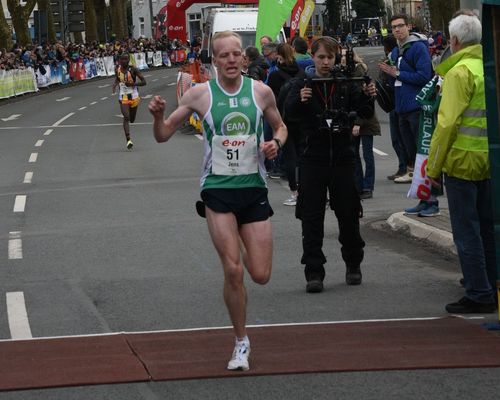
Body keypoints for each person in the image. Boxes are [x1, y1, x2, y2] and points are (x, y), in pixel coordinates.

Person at [148, 31, 288, 370]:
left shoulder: (261, 92)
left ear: (243, 58)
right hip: (217, 190)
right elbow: (164, 134)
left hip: (253, 189)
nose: (230, 60)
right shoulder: (199, 95)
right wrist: (156, 115)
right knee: (233, 269)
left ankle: (241, 247)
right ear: (215, 60)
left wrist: (276, 144)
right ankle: (241, 342)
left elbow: (281, 127)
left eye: (235, 54)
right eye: (223, 55)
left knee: (261, 274)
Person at [284, 37, 376, 293]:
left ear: (337, 59)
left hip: (343, 157)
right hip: (313, 157)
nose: (326, 62)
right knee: (311, 217)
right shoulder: (301, 83)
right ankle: (314, 271)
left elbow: (365, 112)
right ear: (312, 57)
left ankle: (353, 263)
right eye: (321, 57)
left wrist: (369, 96)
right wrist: (300, 100)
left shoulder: (345, 83)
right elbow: (287, 114)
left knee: (348, 213)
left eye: (330, 58)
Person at [426, 13, 497, 314]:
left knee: (466, 230)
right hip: (488, 159)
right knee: (487, 228)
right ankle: (491, 284)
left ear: (454, 42)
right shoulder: (487, 67)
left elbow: (446, 125)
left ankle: (478, 292)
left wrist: (432, 168)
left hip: (462, 161)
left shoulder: (459, 72)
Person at [378, 14, 437, 216]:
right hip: (401, 109)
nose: (397, 30)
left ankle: (432, 201)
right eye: (393, 27)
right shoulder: (397, 50)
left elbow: (424, 77)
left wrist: (397, 73)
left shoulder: (417, 48)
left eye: (400, 26)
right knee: (413, 155)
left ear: (408, 27)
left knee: (423, 156)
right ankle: (424, 198)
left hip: (416, 108)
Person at [268, 42, 306, 206]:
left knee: (290, 157)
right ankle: (307, 189)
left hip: (284, 121)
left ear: (279, 57)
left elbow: (270, 99)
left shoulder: (276, 76)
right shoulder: (301, 72)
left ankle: (295, 192)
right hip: (303, 119)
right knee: (304, 155)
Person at [351, 50, 381, 199]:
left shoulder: (360, 72)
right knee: (355, 155)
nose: (343, 59)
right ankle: (358, 185)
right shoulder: (346, 73)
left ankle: (367, 187)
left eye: (345, 56)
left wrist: (358, 123)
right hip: (354, 120)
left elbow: (366, 103)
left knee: (367, 155)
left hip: (366, 121)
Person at [112, 52, 146, 150]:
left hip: (134, 97)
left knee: (132, 119)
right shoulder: (117, 69)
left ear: (129, 60)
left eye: (126, 59)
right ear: (119, 60)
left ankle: (129, 135)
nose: (124, 61)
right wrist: (114, 84)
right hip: (123, 97)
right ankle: (128, 140)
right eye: (122, 59)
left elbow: (144, 82)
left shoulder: (133, 69)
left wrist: (133, 84)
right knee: (126, 117)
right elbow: (118, 78)